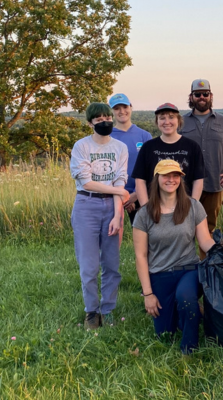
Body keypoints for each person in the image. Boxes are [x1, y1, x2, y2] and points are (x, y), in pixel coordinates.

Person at [133, 159, 215, 354]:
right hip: (159, 274)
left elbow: (204, 241)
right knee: (165, 334)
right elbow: (141, 256)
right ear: (157, 179)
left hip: (188, 269)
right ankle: (190, 313)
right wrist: (148, 294)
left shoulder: (193, 206)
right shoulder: (144, 214)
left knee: (185, 298)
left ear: (180, 179)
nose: (171, 180)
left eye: (176, 175)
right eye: (166, 176)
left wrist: (222, 251)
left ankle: (189, 349)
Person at [70, 102, 130, 330]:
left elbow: (120, 180)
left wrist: (118, 215)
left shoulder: (120, 147)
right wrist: (118, 191)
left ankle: (109, 309)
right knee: (89, 265)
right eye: (99, 119)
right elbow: (86, 181)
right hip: (86, 204)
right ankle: (91, 311)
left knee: (112, 263)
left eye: (107, 117)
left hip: (112, 207)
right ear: (90, 123)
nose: (105, 121)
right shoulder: (81, 146)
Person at [181, 79, 223, 235]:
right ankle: (187, 260)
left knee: (208, 230)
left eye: (205, 94)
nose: (202, 97)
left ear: (211, 95)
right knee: (183, 229)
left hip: (214, 184)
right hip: (185, 185)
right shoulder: (181, 122)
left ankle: (206, 260)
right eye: (198, 94)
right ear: (191, 97)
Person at [132, 103, 204, 206]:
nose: (167, 122)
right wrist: (145, 208)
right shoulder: (148, 147)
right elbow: (140, 180)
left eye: (171, 117)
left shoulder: (192, 147)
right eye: (162, 118)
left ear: (178, 121)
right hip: (154, 207)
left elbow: (198, 179)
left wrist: (193, 206)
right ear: (157, 122)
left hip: (183, 207)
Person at [108, 93, 153, 225]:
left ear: (131, 107)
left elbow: (150, 169)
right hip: (113, 194)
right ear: (112, 111)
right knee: (112, 234)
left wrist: (134, 196)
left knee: (144, 234)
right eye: (117, 108)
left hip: (140, 193)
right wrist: (122, 196)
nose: (122, 111)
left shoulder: (144, 135)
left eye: (125, 107)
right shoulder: (107, 136)